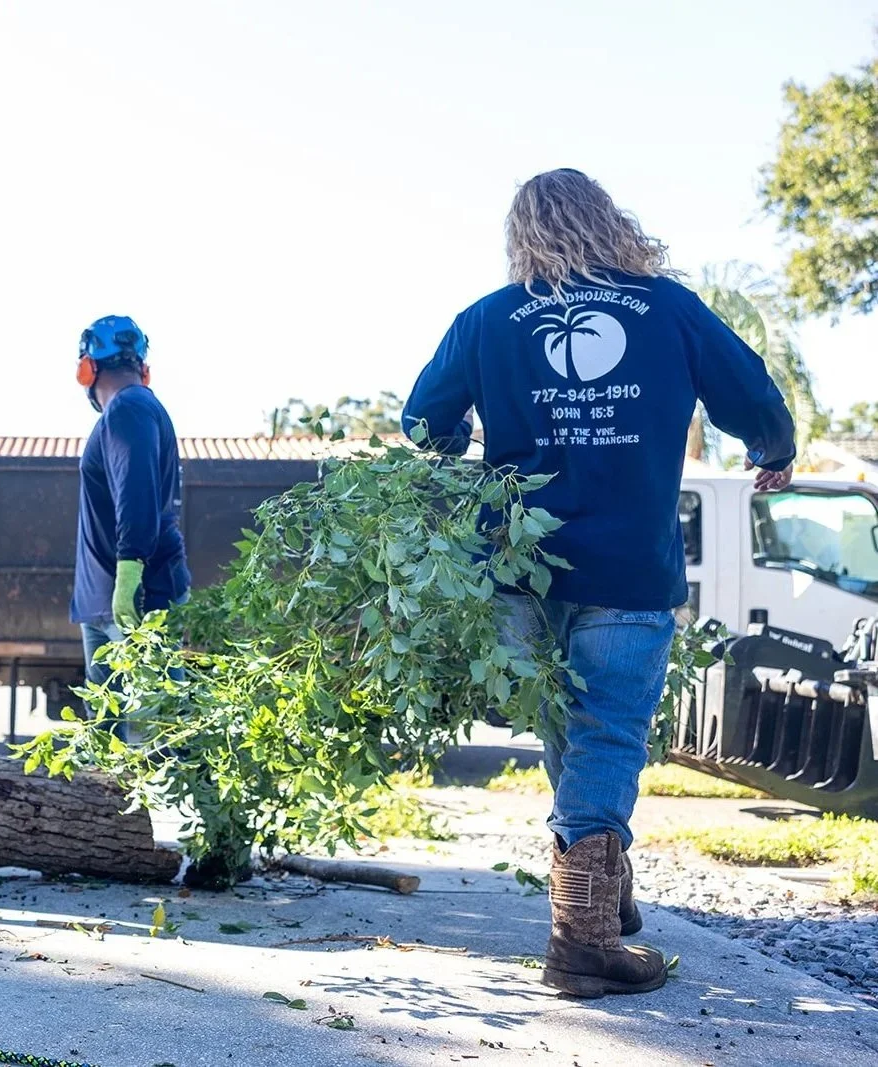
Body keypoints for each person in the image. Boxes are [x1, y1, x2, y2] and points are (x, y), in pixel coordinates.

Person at [402, 168, 795, 999]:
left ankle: (603, 894)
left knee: (571, 730)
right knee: (608, 732)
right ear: (607, 220)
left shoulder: (487, 318)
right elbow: (748, 389)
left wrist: (460, 441)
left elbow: (422, 419)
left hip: (518, 570)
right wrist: (772, 449)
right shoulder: (666, 307)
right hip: (625, 563)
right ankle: (580, 942)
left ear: (522, 234)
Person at [70, 315, 190, 732]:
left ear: (87, 368)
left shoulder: (130, 406)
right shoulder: (127, 410)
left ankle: (195, 797)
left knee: (164, 732)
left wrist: (130, 573)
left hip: (134, 599)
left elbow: (137, 490)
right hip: (105, 600)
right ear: (142, 365)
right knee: (108, 740)